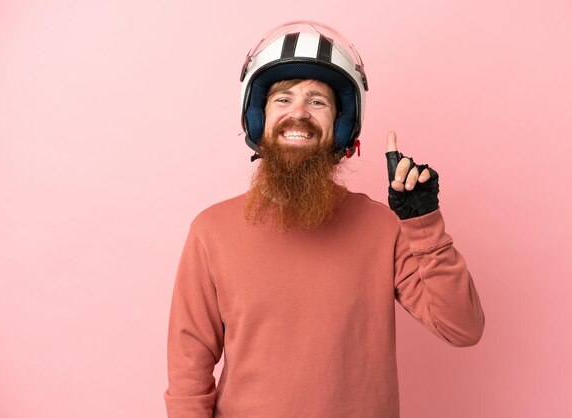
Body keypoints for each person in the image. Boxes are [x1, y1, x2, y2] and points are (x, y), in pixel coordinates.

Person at [164, 21, 485, 418]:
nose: (298, 113)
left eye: (318, 101)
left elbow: (463, 328)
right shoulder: (210, 231)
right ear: (258, 118)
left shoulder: (383, 227)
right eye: (283, 99)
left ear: (341, 126)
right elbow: (188, 371)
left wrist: (423, 222)